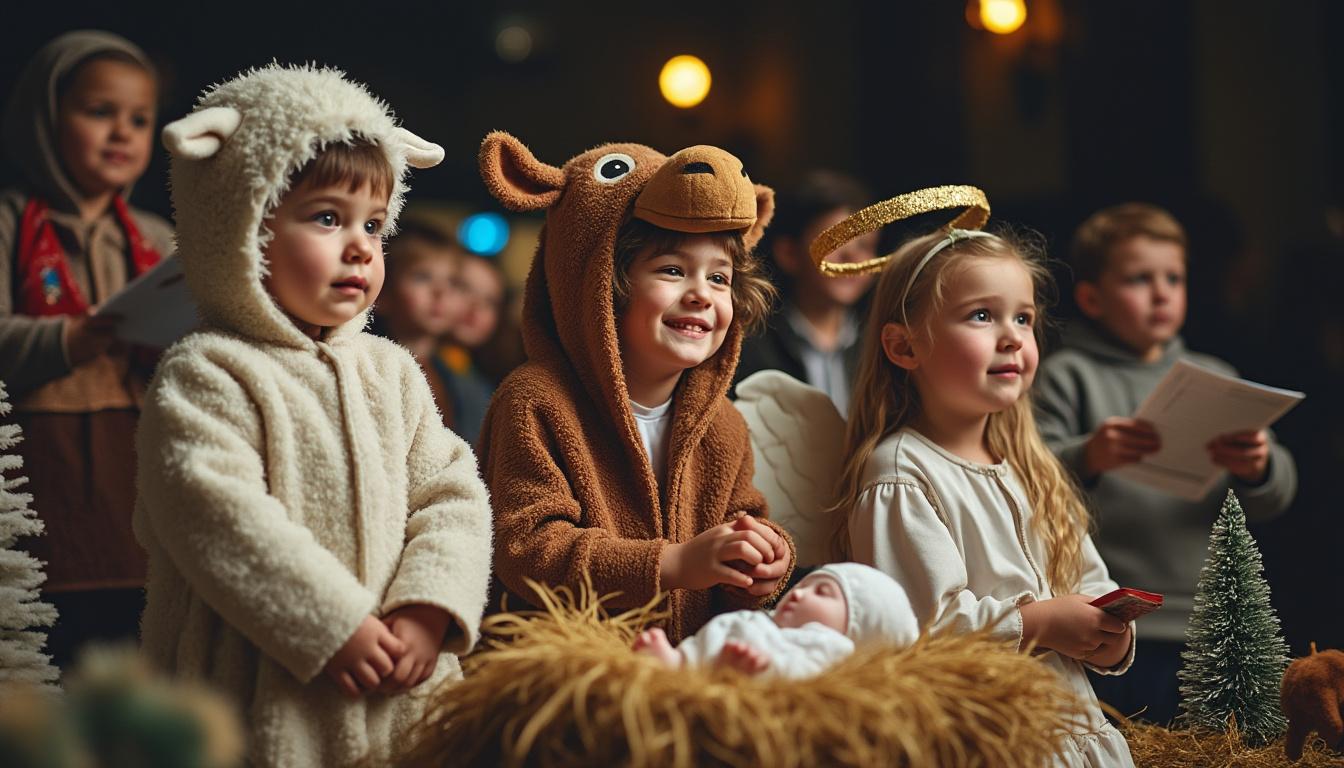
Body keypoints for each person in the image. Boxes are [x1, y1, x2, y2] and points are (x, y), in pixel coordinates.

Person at [133, 65, 492, 768]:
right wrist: (330, 624)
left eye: (375, 225)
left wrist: (429, 608)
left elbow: (452, 494)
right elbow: (215, 514)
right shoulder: (208, 370)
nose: (360, 245)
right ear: (238, 228)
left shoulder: (391, 370)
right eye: (327, 218)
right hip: (260, 693)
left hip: (402, 695)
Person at [836, 224, 1137, 766]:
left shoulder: (1032, 469)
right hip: (989, 744)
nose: (1012, 337)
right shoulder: (901, 475)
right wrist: (1041, 623)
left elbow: (1091, 584)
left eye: (1023, 317)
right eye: (982, 315)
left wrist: (1110, 635)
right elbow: (920, 634)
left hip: (1073, 730)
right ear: (904, 346)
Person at [479, 135, 795, 643]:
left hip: (681, 675)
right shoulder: (535, 401)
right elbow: (527, 550)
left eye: (719, 277)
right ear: (604, 287)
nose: (700, 293)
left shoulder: (723, 425)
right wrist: (671, 564)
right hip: (567, 676)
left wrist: (763, 561)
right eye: (671, 270)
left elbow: (740, 524)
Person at [1033, 203, 1297, 724]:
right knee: (1124, 736)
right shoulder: (1068, 375)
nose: (1161, 293)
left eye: (1173, 278)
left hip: (1207, 615)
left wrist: (1258, 466)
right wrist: (1089, 454)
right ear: (1092, 297)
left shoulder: (1213, 375)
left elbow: (1278, 493)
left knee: (1211, 744)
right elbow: (1028, 475)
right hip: (1112, 617)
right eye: (1139, 279)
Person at [0, 30, 175, 667]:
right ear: (42, 118)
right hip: (34, 461)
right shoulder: (9, 220)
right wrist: (75, 337)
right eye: (99, 112)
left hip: (138, 456)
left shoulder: (158, 236)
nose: (121, 133)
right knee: (47, 636)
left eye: (138, 119)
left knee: (139, 632)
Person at [735, 170, 876, 414]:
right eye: (835, 242)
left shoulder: (881, 342)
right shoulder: (752, 345)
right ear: (789, 254)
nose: (852, 257)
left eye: (864, 245)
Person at [633, 562, 917, 679]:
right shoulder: (771, 622)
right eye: (803, 585)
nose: (800, 592)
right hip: (716, 654)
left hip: (752, 673)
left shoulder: (830, 646)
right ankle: (679, 662)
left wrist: (767, 667)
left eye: (822, 592)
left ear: (854, 626)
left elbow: (802, 674)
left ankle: (718, 672)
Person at [373, 221, 463, 430]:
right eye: (422, 277)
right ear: (383, 293)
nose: (441, 292)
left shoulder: (454, 376)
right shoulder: (372, 368)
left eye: (453, 281)